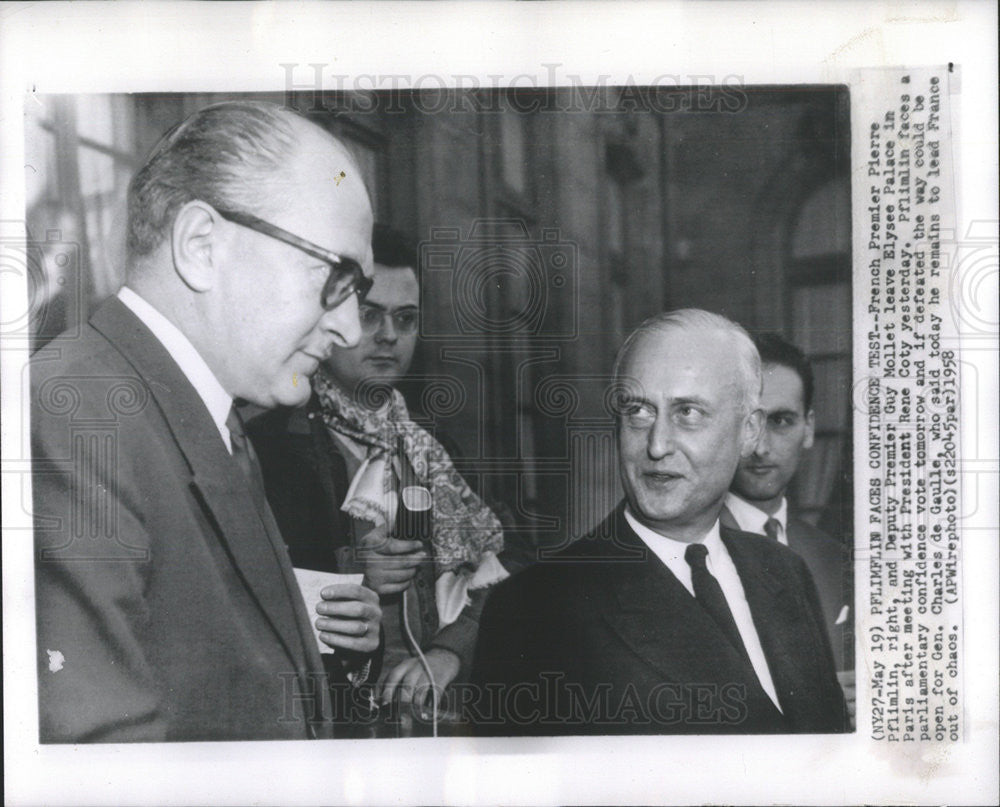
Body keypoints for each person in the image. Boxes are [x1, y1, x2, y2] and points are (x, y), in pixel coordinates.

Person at [31, 101, 383, 743]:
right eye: (336, 277)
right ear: (201, 246)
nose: (350, 327)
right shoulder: (74, 416)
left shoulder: (205, 418)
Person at [471, 309, 848, 735]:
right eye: (639, 411)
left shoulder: (784, 572)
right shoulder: (537, 607)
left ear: (749, 431)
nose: (657, 445)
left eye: (688, 412)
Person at [250, 225, 507, 734]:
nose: (389, 335)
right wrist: (353, 570)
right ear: (333, 318)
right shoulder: (273, 442)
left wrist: (448, 653)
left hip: (433, 719)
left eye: (406, 319)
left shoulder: (432, 447)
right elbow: (245, 602)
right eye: (369, 315)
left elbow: (499, 573)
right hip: (330, 725)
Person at [722, 332, 854, 710]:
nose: (761, 447)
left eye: (781, 421)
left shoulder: (834, 558)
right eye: (748, 423)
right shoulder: (687, 548)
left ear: (808, 429)